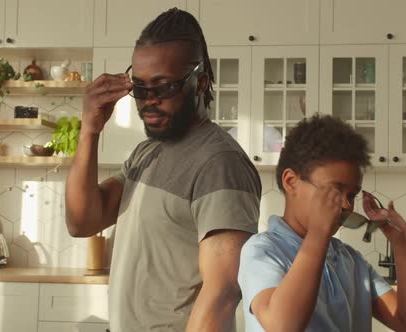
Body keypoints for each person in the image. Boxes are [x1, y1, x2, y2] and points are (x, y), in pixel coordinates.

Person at [65, 8, 261, 331]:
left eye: (164, 87)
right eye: (140, 89)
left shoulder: (219, 163)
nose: (148, 101)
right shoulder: (147, 151)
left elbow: (222, 294)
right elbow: (82, 220)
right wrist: (89, 129)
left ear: (200, 82)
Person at [238, 114, 406, 331]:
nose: (346, 205)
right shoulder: (261, 251)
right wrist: (318, 234)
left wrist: (403, 247)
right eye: (335, 190)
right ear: (291, 182)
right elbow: (282, 326)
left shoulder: (352, 262)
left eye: (352, 195)